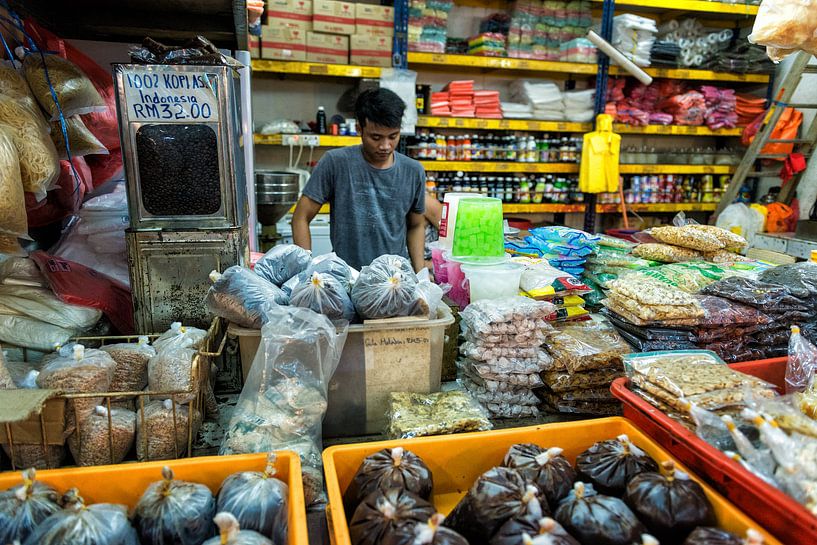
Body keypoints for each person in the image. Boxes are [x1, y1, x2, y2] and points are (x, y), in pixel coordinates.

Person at [291, 88, 426, 271]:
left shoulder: (413, 171)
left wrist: (421, 274)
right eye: (376, 137)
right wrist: (305, 270)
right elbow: (301, 217)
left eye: (393, 136)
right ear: (359, 129)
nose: (385, 146)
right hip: (346, 277)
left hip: (394, 279)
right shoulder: (335, 163)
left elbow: (416, 225)